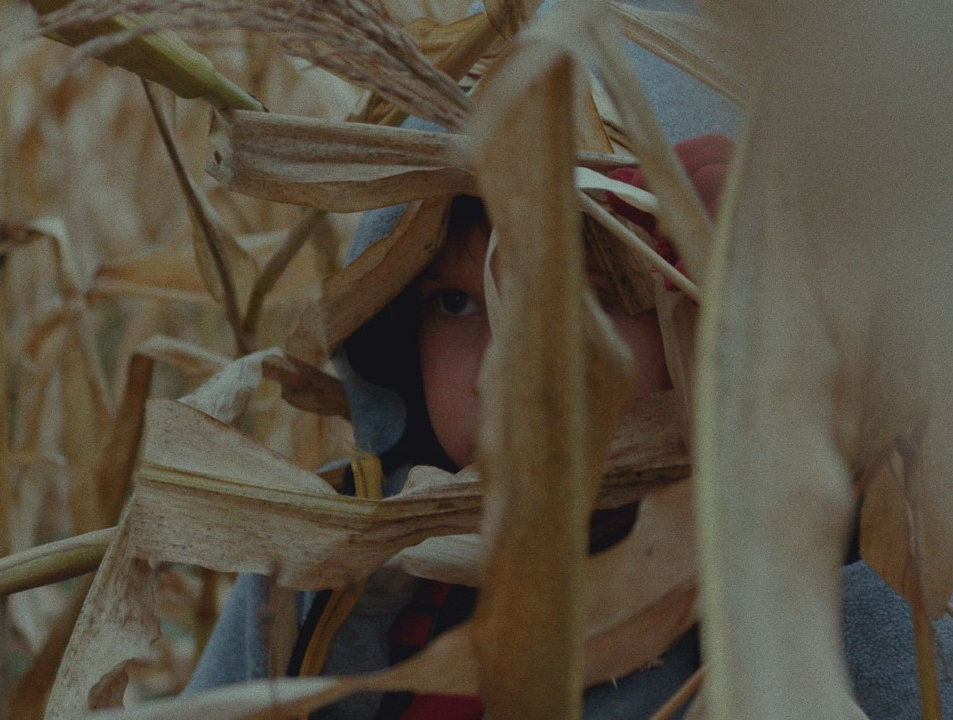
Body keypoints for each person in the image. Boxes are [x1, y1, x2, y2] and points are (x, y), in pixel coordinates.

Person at [186, 8, 953, 720]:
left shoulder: (841, 584)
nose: (505, 372)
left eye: (583, 299)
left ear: (718, 319)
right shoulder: (330, 575)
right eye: (456, 305)